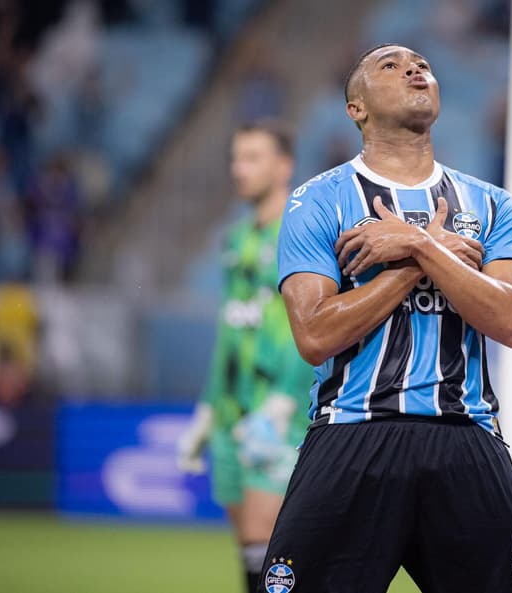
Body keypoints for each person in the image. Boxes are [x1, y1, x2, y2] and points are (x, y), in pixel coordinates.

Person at [262, 44, 512, 593]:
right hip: (353, 434)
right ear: (357, 109)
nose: (414, 69)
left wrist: (415, 242)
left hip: (466, 437)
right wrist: (427, 259)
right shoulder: (318, 201)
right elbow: (316, 334)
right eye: (389, 66)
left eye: (421, 63)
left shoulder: (492, 205)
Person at [177, 120, 314, 593]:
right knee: (251, 553)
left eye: (253, 158)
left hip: (278, 414)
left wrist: (284, 403)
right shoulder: (236, 240)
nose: (239, 169)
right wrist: (207, 408)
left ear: (284, 167)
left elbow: (310, 323)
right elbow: (230, 330)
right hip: (232, 413)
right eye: (237, 158)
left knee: (270, 547)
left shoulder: (300, 232)